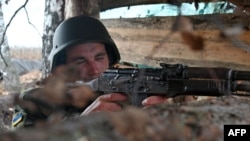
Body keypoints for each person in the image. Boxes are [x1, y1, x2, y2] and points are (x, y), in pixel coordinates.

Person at [11, 15, 167, 129]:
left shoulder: (131, 96)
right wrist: (78, 124)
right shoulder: (34, 102)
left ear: (110, 58)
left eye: (99, 57)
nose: (95, 69)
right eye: (80, 61)